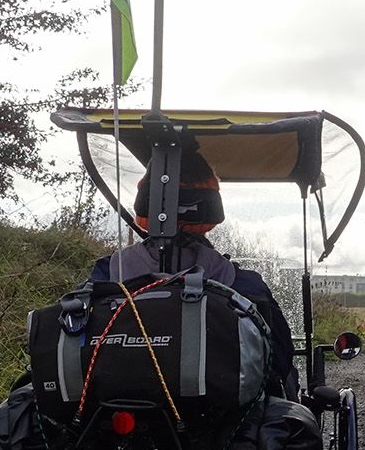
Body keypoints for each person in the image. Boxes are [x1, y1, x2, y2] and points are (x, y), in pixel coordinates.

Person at [87, 149, 300, 400]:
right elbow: (278, 360)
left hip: (110, 403)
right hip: (217, 413)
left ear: (144, 201)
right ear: (210, 206)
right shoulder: (240, 283)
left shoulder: (107, 272)